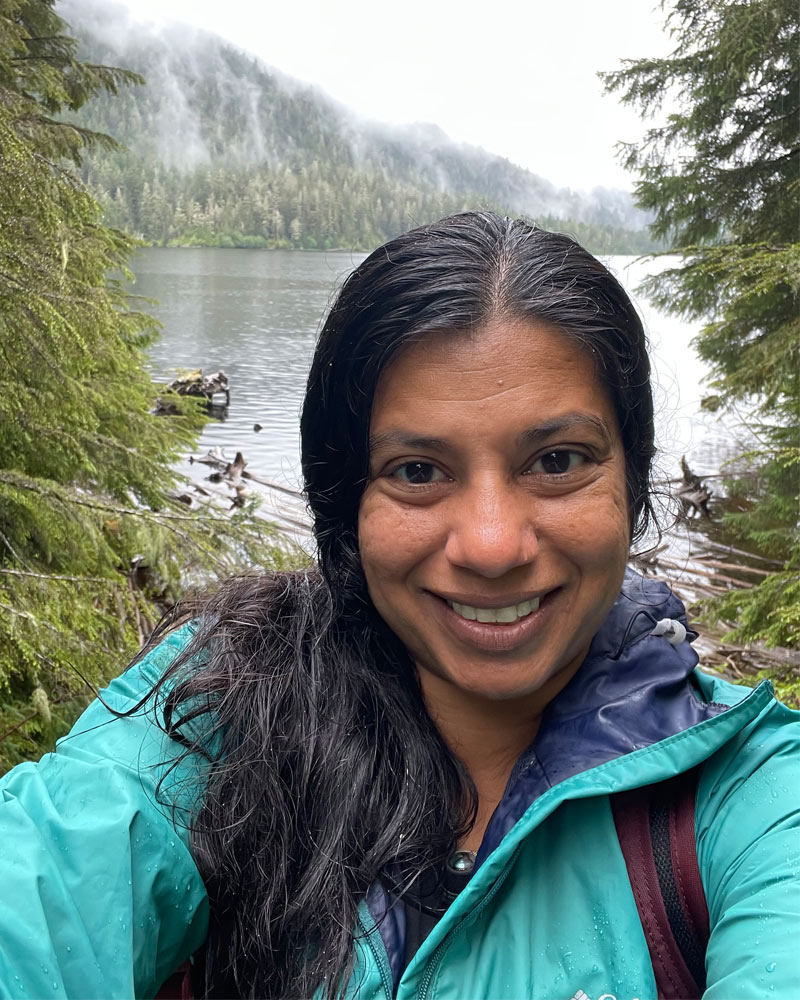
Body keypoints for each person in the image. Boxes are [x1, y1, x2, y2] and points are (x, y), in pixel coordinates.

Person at [0, 212, 797, 1000]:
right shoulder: (219, 701)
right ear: (345, 503)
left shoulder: (747, 795)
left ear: (633, 478)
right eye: (417, 471)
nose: (491, 545)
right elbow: (46, 891)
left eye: (557, 461)